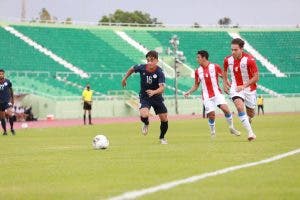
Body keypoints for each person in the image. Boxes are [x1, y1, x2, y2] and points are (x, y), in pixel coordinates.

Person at [184, 50, 240, 137]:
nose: (197, 59)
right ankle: (213, 132)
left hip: (217, 93)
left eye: (198, 57)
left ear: (204, 58)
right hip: (206, 96)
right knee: (211, 115)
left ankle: (232, 127)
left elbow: (224, 77)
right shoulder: (197, 71)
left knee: (226, 109)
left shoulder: (215, 67)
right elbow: (196, 85)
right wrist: (189, 92)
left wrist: (230, 85)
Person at [121, 50, 169, 144]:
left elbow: (162, 88)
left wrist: (154, 91)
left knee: (164, 118)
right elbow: (132, 69)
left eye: (152, 60)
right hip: (145, 96)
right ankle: (146, 123)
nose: (150, 62)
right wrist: (125, 78)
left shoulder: (160, 72)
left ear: (156, 61)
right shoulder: (142, 67)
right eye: (148, 60)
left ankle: (162, 137)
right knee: (144, 114)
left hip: (157, 97)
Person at [223, 38, 259, 141]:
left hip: (249, 88)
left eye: (235, 50)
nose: (233, 52)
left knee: (251, 113)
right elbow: (224, 70)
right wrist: (225, 83)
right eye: (232, 50)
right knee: (239, 106)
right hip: (235, 87)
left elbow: (256, 77)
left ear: (241, 49)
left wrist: (244, 86)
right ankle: (250, 133)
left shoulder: (250, 60)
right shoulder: (227, 60)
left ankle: (249, 119)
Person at [0, 69, 15, 135]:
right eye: (0, 74)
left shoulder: (7, 81)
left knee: (10, 114)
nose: (1, 75)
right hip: (0, 102)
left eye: (2, 74)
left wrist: (12, 99)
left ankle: (12, 128)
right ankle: (5, 131)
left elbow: (11, 90)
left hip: (7, 101)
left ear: (4, 74)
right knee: (2, 117)